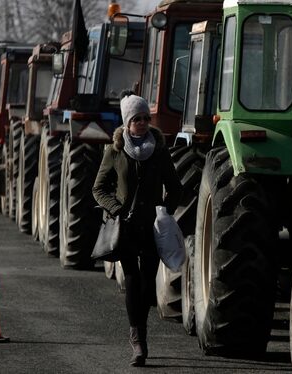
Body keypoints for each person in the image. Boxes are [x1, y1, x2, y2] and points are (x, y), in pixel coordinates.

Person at [93, 92, 182, 366]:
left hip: (151, 227)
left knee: (147, 286)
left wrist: (165, 210)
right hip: (126, 227)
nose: (142, 123)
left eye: (146, 118)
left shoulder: (159, 150)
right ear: (127, 122)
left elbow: (175, 186)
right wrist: (116, 209)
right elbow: (99, 188)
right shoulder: (115, 151)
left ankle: (139, 334)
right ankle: (138, 342)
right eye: (137, 119)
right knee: (132, 279)